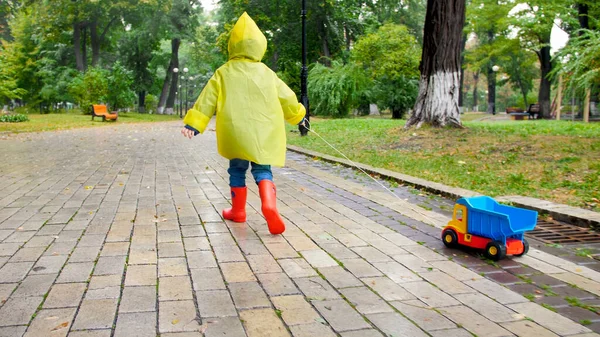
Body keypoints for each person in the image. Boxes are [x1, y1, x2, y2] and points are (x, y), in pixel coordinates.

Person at [181, 12, 306, 235]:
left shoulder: (223, 72)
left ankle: (238, 211)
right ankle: (269, 204)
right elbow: (287, 97)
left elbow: (207, 98)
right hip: (262, 132)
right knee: (262, 169)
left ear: (232, 46)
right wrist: (298, 115)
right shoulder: (267, 73)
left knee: (237, 169)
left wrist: (195, 123)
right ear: (260, 45)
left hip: (235, 131)